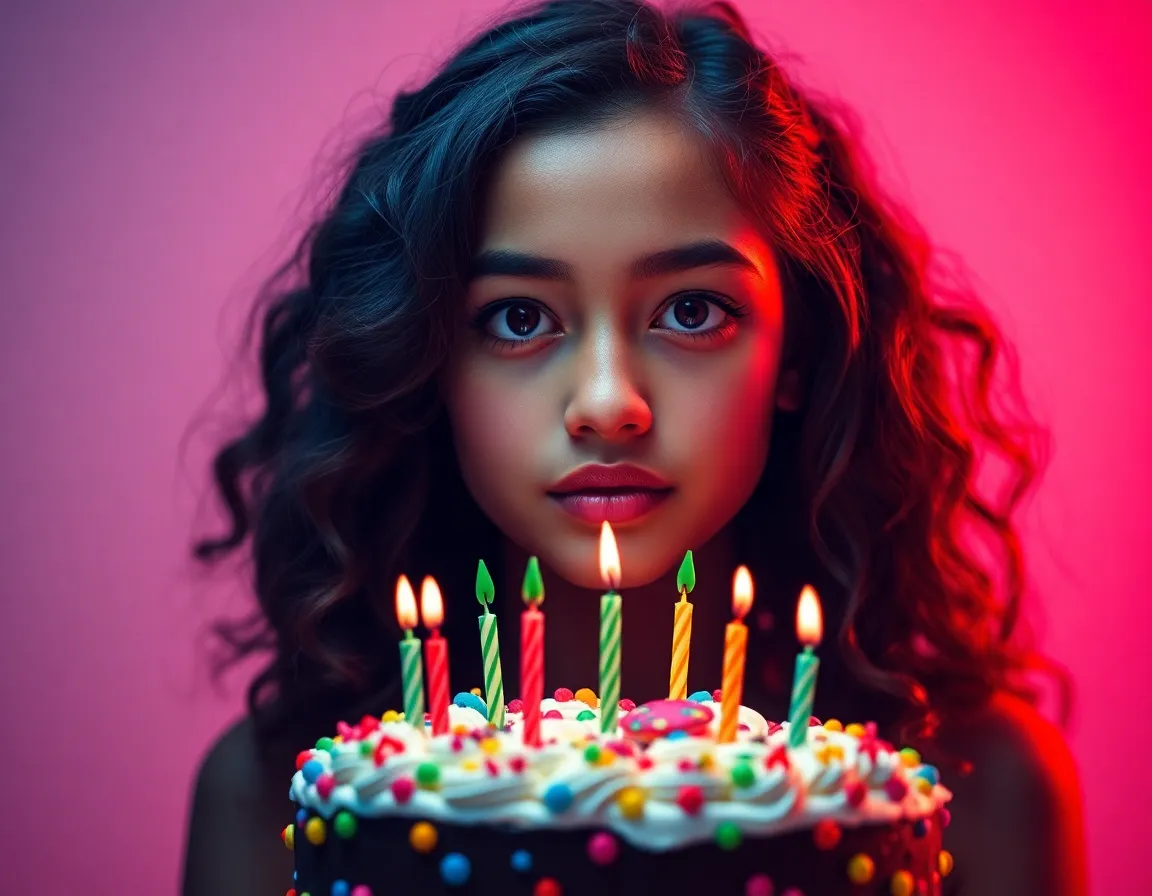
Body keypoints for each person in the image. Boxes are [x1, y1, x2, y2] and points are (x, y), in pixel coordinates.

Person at [180, 1, 1086, 893]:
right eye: (519, 318)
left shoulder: (984, 785)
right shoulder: (278, 798)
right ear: (426, 361)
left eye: (693, 311)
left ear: (797, 353)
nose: (609, 404)